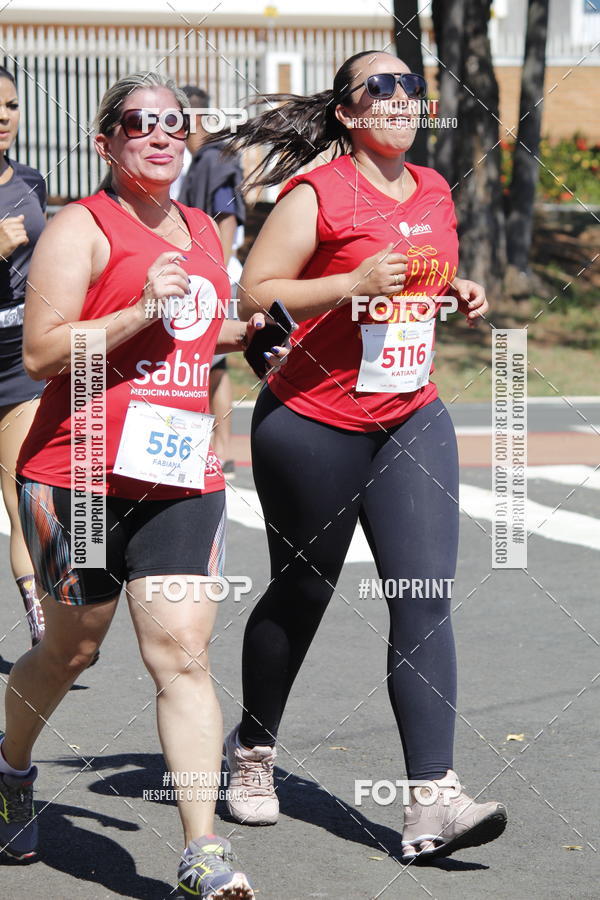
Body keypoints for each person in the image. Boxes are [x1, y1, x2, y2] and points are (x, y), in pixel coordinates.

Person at [0, 72, 284, 898]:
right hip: (79, 474)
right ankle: (12, 769)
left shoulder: (201, 230)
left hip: (178, 474)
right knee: (71, 649)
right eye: (138, 123)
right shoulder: (80, 227)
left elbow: (196, 333)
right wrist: (134, 312)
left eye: (174, 123)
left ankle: (201, 852)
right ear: (106, 143)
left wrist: (253, 335)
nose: (160, 135)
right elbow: (44, 355)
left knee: (182, 656)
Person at [220, 50, 507, 863]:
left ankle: (431, 803)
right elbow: (256, 292)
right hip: (314, 423)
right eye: (381, 87)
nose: (403, 98)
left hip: (412, 417)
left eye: (412, 87)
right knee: (302, 592)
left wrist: (456, 289)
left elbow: (422, 273)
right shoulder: (318, 193)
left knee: (423, 594)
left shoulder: (435, 189)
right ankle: (253, 752)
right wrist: (349, 282)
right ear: (348, 113)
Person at [177, 85, 246, 480]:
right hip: (205, 278)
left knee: (209, 364)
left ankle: (221, 451)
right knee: (210, 366)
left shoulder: (214, 160)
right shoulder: (201, 160)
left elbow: (226, 219)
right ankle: (216, 449)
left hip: (214, 280)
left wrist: (213, 277)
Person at [0, 65, 47, 647]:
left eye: (10, 105)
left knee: (26, 496)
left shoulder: (30, 181)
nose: (2, 117)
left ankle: (44, 625)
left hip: (17, 365)